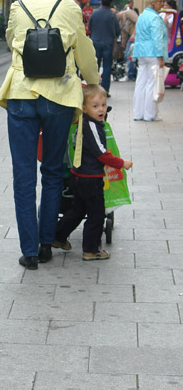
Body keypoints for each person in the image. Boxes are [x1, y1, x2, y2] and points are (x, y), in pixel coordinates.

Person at [0, 0, 98, 270]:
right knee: (53, 171)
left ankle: (28, 251)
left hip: (22, 93)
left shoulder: (17, 6)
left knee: (23, 174)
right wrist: (93, 82)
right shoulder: (69, 7)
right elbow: (84, 50)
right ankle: (45, 244)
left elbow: (13, 42)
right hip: (59, 95)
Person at [54, 85, 132, 261]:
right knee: (96, 215)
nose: (101, 109)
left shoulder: (82, 123)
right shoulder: (93, 126)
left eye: (103, 105)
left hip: (79, 176)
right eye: (95, 106)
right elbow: (101, 152)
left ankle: (57, 236)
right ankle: (91, 249)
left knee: (78, 210)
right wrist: (122, 163)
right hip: (90, 178)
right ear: (84, 107)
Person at [133, 0, 168, 122]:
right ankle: (150, 114)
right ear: (153, 2)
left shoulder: (142, 16)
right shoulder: (155, 18)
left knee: (140, 83)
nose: (162, 3)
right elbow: (157, 39)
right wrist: (160, 57)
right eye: (160, 1)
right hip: (153, 53)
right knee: (152, 84)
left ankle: (138, 113)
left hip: (141, 53)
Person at [88, 0, 121, 95]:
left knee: (95, 66)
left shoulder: (94, 13)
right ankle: (105, 90)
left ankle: (95, 89)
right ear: (110, 3)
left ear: (101, 2)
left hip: (95, 42)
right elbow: (118, 30)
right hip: (108, 43)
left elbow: (89, 27)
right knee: (107, 67)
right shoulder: (112, 15)